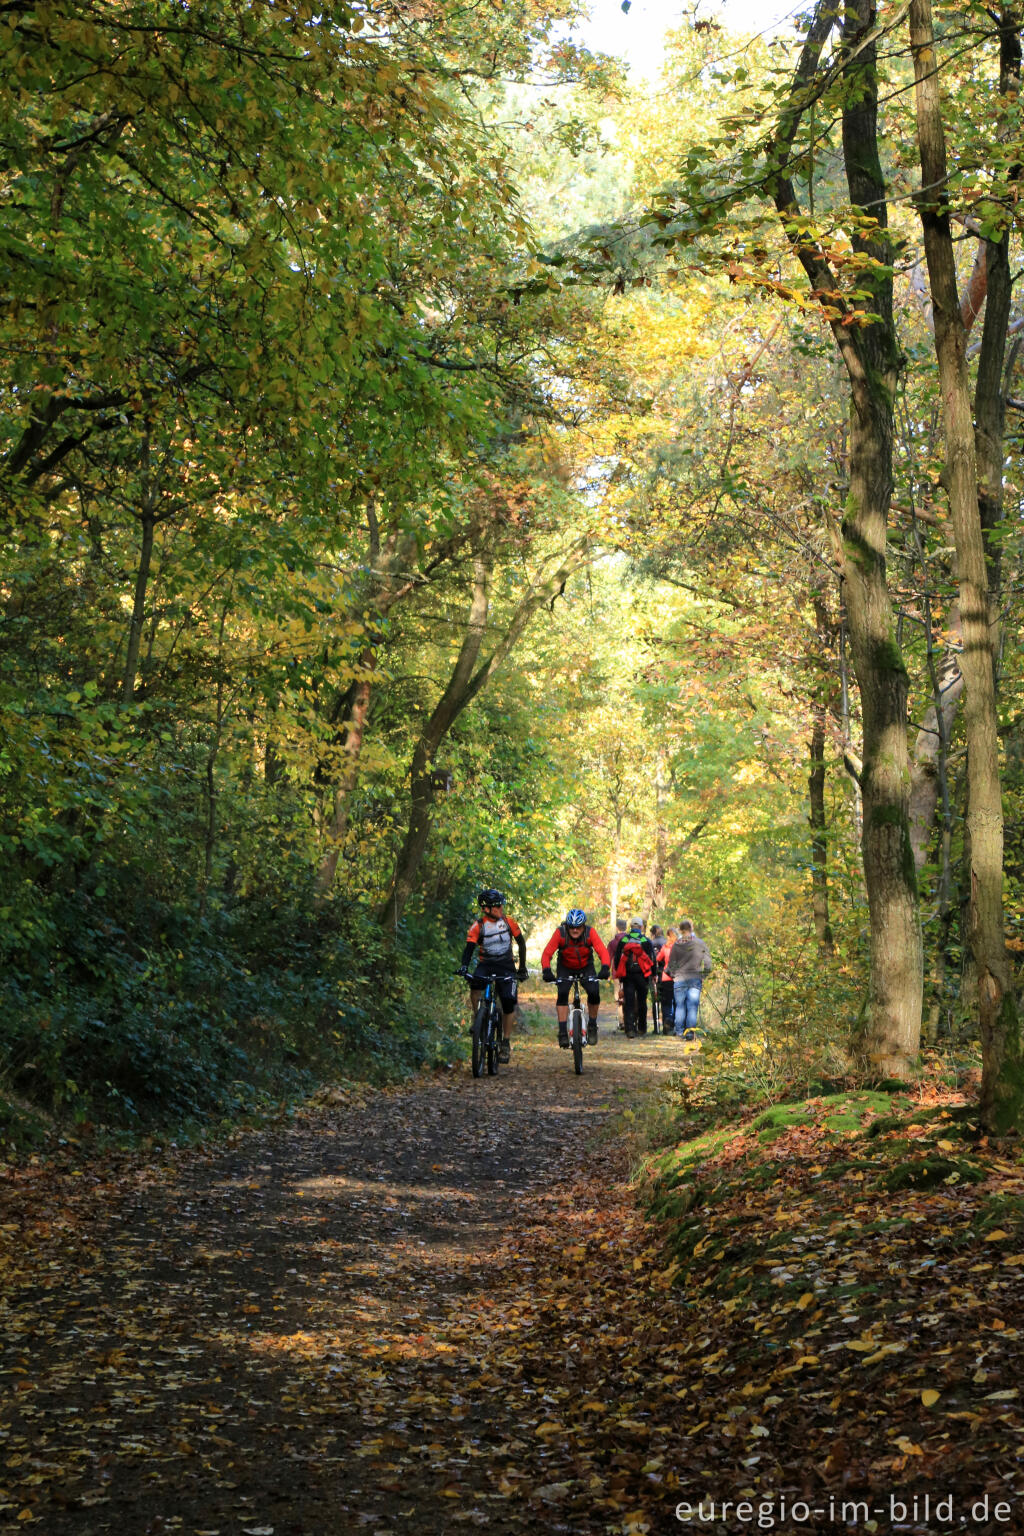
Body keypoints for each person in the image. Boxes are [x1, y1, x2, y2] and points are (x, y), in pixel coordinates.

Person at [458, 888, 528, 1063]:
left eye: (501, 905)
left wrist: (522, 968)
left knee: (508, 1001)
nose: (501, 909)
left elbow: (521, 944)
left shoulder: (509, 922)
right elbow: (469, 949)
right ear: (486, 909)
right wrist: (464, 967)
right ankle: (478, 1018)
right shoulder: (478, 926)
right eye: (497, 906)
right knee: (474, 985)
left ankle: (505, 1041)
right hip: (486, 964)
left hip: (506, 965)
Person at [541, 909, 611, 1048]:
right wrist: (546, 970)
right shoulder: (560, 933)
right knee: (562, 993)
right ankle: (562, 1032)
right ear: (567, 926)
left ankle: (592, 1025)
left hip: (586, 966)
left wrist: (605, 967)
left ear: (583, 926)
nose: (574, 930)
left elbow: (603, 951)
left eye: (578, 927)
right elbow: (547, 953)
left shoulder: (590, 933)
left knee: (594, 992)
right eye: (571, 927)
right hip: (565, 967)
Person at [668, 919, 712, 1038]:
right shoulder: (700, 943)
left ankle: (679, 1031)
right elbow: (708, 962)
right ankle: (690, 1033)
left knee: (680, 1006)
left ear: (681, 931)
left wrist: (673, 974)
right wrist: (703, 974)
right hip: (695, 978)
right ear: (691, 929)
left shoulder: (677, 944)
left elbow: (671, 964)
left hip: (679, 978)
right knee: (692, 1006)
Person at [614, 921, 656, 1038]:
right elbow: (652, 958)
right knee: (642, 1001)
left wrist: (620, 973)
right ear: (641, 927)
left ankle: (630, 1029)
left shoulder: (624, 940)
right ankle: (642, 1027)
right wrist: (653, 974)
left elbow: (617, 957)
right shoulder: (645, 940)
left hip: (628, 975)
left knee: (629, 1002)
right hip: (643, 975)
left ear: (630, 927)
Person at [606, 917, 627, 1030]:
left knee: (619, 998)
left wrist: (607, 973)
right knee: (629, 994)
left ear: (617, 928)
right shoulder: (630, 940)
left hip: (617, 972)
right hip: (630, 973)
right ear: (626, 928)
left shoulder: (613, 943)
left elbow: (608, 958)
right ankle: (630, 1019)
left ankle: (621, 1021)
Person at [656, 926, 678, 1036]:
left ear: (668, 936)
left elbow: (658, 959)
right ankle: (674, 1025)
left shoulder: (665, 947)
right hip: (678, 978)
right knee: (677, 1002)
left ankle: (667, 1024)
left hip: (666, 977)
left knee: (666, 1003)